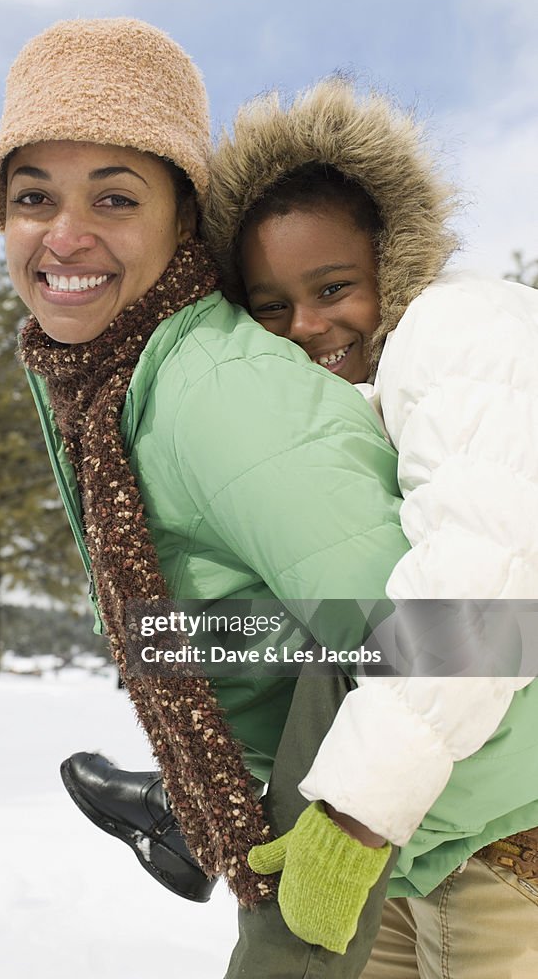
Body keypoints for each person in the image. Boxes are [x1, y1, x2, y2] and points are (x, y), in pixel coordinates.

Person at [0, 21, 413, 978]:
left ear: (184, 218)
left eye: (116, 197)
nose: (65, 234)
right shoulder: (123, 376)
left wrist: (341, 832)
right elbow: (313, 626)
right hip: (361, 838)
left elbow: (436, 640)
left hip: (430, 849)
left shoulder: (210, 390)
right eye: (32, 196)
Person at [70, 78, 538, 977]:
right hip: (438, 844)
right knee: (179, 633)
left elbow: (480, 581)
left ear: (392, 259)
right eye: (272, 306)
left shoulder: (460, 328)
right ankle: (191, 800)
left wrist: (358, 813)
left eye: (334, 288)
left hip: (502, 852)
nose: (307, 326)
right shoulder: (369, 386)